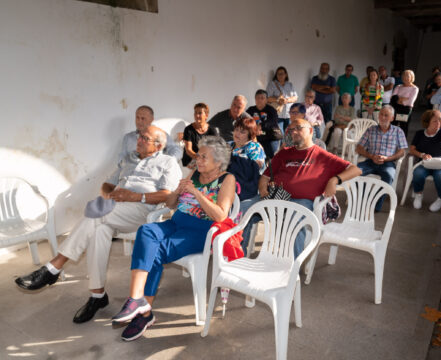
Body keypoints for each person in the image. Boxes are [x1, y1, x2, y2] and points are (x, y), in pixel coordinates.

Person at [15, 126, 182, 324]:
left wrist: (134, 196)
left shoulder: (168, 162)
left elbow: (169, 195)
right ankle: (97, 296)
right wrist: (109, 195)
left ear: (159, 145)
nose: (138, 140)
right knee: (98, 230)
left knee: (96, 215)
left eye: (144, 138)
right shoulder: (129, 158)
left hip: (142, 210)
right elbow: (107, 184)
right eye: (139, 137)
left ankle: (54, 268)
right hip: (116, 207)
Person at [112, 136, 235, 341]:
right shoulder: (194, 173)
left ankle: (144, 312)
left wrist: (195, 192)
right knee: (146, 231)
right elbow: (170, 204)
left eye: (204, 157)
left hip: (201, 231)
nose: (198, 160)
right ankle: (136, 299)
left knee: (156, 252)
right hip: (177, 222)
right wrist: (177, 191)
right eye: (198, 155)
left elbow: (221, 215)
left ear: (218, 162)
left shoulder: (227, 179)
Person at [259, 118, 361, 256]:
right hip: (275, 196)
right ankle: (236, 257)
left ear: (311, 131)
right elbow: (265, 176)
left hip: (303, 202)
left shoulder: (322, 155)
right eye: (291, 129)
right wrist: (263, 189)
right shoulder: (284, 153)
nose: (294, 132)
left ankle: (293, 269)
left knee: (293, 219)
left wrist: (334, 180)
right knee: (245, 208)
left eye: (298, 128)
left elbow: (356, 170)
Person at [356, 105, 408, 211]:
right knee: (354, 171)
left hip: (388, 163)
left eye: (386, 115)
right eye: (381, 114)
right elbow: (359, 148)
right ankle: (364, 200)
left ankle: (376, 204)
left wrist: (388, 158)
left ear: (392, 118)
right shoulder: (371, 130)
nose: (383, 117)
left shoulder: (398, 131)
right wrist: (371, 156)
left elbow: (402, 151)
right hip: (370, 161)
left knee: (388, 176)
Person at [226, 118, 266, 255]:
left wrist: (230, 162)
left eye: (242, 131)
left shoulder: (254, 147)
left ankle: (238, 253)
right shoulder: (228, 145)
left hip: (248, 193)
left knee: (240, 220)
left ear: (250, 134)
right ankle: (223, 249)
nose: (237, 133)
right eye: (236, 129)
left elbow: (253, 171)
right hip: (228, 192)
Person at [409, 110, 441, 212]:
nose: (438, 123)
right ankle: (418, 194)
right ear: (427, 122)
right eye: (435, 121)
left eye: (439, 121)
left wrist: (440, 117)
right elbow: (412, 149)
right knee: (418, 173)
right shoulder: (420, 134)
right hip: (426, 163)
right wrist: (422, 155)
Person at [246, 89, 281, 160]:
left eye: (262, 98)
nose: (259, 100)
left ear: (266, 100)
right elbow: (245, 121)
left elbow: (273, 121)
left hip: (270, 138)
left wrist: (261, 126)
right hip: (255, 138)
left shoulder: (271, 110)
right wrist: (254, 129)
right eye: (257, 98)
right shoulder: (250, 110)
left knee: (271, 157)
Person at [182, 103, 218, 167]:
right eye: (195, 113)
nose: (197, 115)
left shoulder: (212, 130)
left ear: (206, 115)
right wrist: (199, 159)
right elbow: (188, 150)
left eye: (200, 113)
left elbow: (215, 149)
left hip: (205, 161)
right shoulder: (188, 129)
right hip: (190, 161)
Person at [267, 66, 298, 134]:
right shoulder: (272, 84)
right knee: (280, 134)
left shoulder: (290, 84)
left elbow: (295, 97)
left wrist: (286, 100)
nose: (280, 75)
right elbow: (267, 98)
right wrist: (278, 100)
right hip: (278, 114)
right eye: (278, 74)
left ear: (286, 74)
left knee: (289, 134)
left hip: (289, 114)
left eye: (282, 74)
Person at [391, 69, 419, 136]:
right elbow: (393, 98)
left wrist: (398, 100)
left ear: (412, 77)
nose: (405, 78)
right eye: (404, 76)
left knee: (403, 127)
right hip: (396, 108)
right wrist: (403, 99)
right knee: (393, 125)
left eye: (407, 76)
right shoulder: (398, 86)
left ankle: (402, 143)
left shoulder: (414, 88)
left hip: (405, 109)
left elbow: (410, 102)